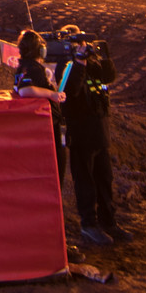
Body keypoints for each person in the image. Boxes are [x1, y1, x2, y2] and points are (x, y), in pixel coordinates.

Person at [50, 22, 119, 246]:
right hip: (80, 129)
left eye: (82, 42)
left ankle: (108, 221)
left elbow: (108, 76)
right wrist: (78, 61)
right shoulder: (65, 64)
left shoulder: (91, 61)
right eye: (76, 42)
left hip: (99, 127)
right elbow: (70, 90)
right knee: (85, 181)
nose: (81, 46)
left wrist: (103, 55)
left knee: (105, 178)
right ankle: (89, 225)